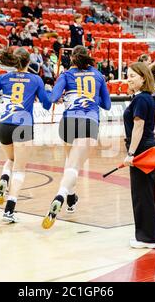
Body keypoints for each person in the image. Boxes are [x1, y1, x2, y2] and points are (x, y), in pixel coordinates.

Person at [42, 45, 111, 229]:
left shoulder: (65, 75)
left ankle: (71, 198)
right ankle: (60, 195)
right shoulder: (97, 75)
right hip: (89, 121)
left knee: (69, 163)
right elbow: (107, 105)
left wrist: (58, 95)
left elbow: (53, 97)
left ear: (72, 58)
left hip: (68, 122)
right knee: (74, 166)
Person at [0, 47, 52, 223]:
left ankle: (4, 178)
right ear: (29, 62)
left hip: (4, 124)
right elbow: (46, 104)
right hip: (23, 126)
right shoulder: (35, 79)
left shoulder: (3, 77)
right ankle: (9, 209)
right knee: (20, 169)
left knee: (11, 160)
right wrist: (48, 96)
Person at [123, 62, 155, 249]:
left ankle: (147, 238)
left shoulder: (141, 100)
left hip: (142, 151)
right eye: (128, 75)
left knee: (142, 195)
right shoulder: (143, 98)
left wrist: (131, 153)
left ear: (143, 78)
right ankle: (148, 236)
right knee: (144, 194)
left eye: (132, 76)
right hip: (146, 148)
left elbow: (139, 127)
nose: (128, 79)